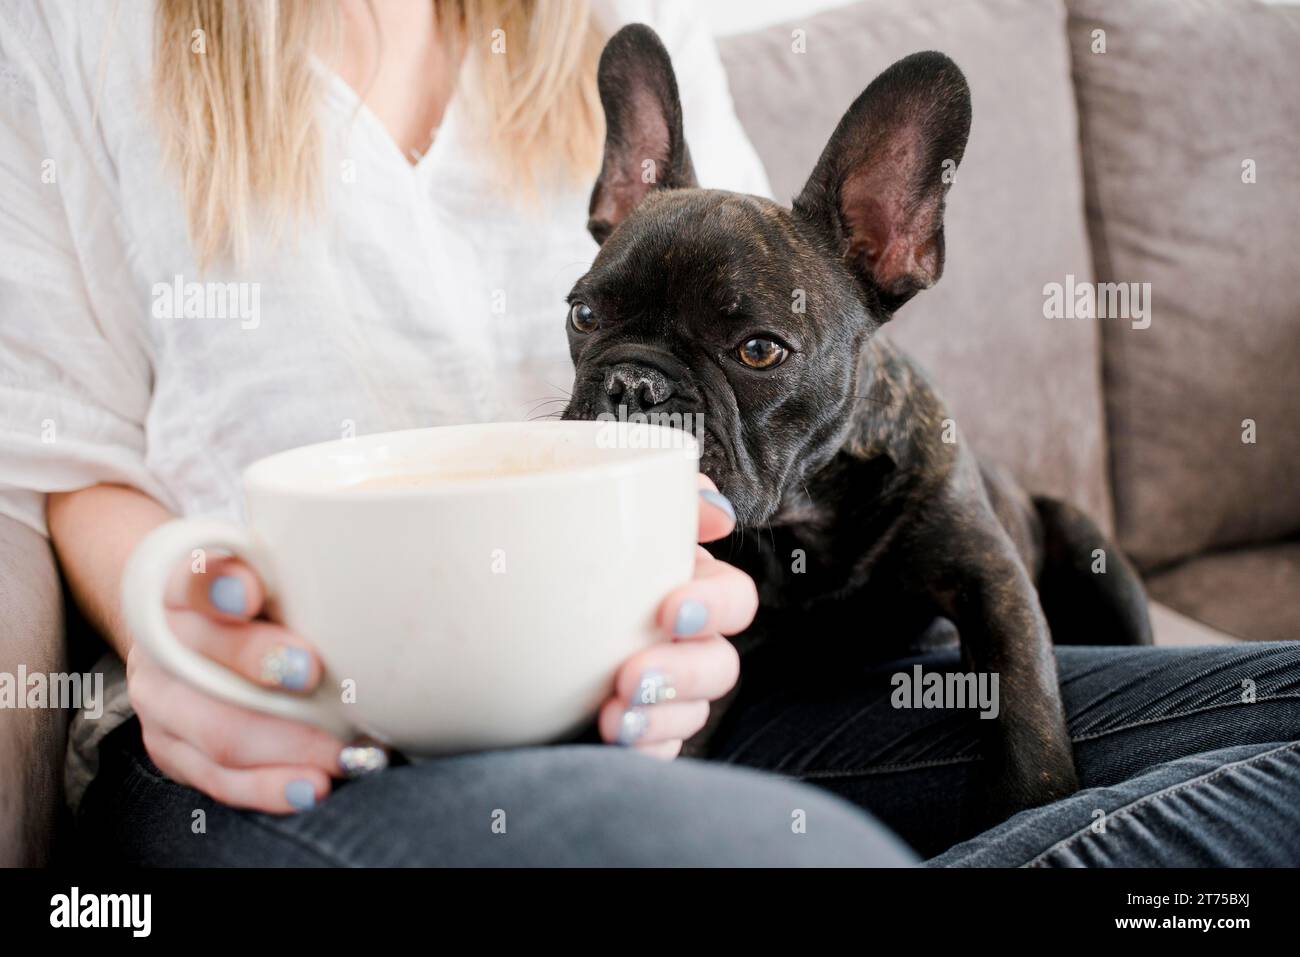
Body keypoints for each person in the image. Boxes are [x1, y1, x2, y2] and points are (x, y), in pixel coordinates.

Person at [2, 0, 1296, 867]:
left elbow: (778, 304)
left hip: (696, 708)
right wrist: (176, 621)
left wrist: (708, 620)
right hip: (296, 749)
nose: (633, 388)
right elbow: (61, 455)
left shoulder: (617, 20)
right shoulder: (73, 29)